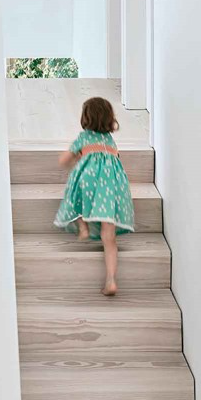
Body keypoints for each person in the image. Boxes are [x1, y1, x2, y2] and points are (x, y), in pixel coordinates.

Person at [54, 96, 134, 296]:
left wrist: (77, 158)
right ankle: (111, 280)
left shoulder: (83, 138)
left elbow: (63, 160)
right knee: (109, 237)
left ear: (86, 118)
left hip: (88, 179)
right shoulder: (110, 141)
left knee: (76, 194)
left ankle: (83, 226)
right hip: (113, 187)